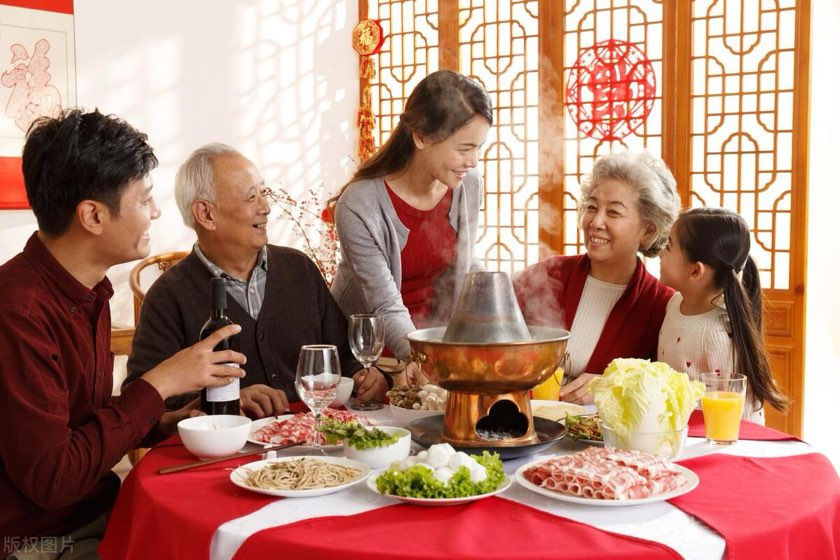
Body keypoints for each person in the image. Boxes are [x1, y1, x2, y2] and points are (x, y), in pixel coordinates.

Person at [0, 109, 246, 556]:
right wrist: (158, 384)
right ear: (93, 216)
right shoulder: (17, 310)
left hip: (96, 511)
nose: (154, 212)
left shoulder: (87, 289)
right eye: (144, 199)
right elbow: (54, 479)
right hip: (41, 538)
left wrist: (163, 419)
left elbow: (75, 422)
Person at [125, 143, 388, 416]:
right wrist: (224, 401)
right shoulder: (169, 296)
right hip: (227, 450)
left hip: (312, 441)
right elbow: (143, 401)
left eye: (263, 193)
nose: (266, 208)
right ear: (206, 214)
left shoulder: (299, 269)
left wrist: (364, 377)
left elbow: (344, 355)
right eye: (251, 197)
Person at [328, 69, 491, 373]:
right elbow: (384, 305)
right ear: (421, 136)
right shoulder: (360, 204)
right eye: (464, 148)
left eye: (479, 148)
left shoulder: (467, 183)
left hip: (435, 350)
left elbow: (464, 267)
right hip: (370, 360)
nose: (473, 161)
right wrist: (423, 360)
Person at [514, 151, 681, 404]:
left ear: (647, 230)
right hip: (523, 426)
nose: (595, 221)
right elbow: (490, 342)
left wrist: (614, 387)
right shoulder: (548, 275)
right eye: (591, 207)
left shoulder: (662, 305)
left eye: (613, 213)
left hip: (604, 440)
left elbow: (670, 389)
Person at [657, 207, 787, 422]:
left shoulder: (718, 334)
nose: (661, 253)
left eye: (669, 247)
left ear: (695, 271)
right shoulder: (674, 303)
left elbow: (740, 416)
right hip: (678, 434)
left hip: (715, 441)